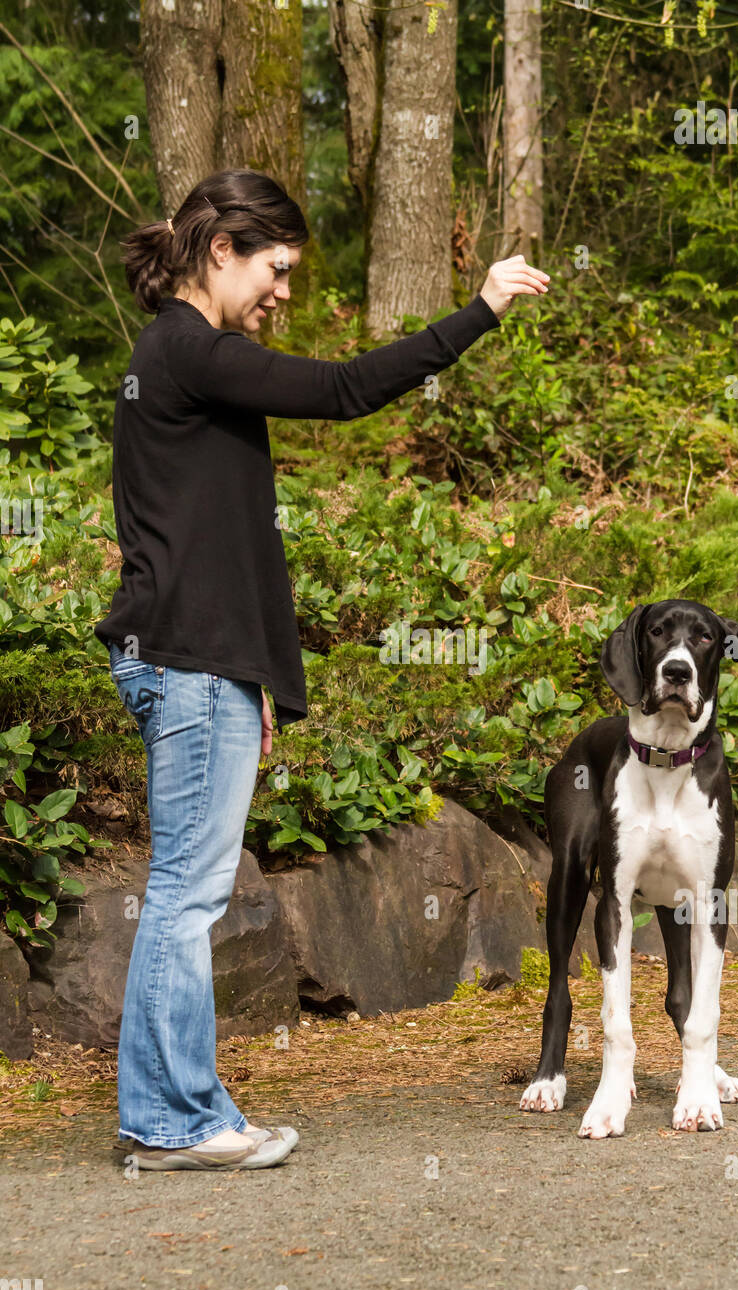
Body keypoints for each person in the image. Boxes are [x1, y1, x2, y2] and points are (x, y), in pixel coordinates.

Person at [94, 167, 550, 1171]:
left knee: (179, 892)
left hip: (193, 663)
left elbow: (205, 543)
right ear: (222, 251)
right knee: (185, 895)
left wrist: (251, 677)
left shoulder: (172, 359)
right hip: (188, 664)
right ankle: (175, 1122)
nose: (284, 291)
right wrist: (477, 311)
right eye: (277, 267)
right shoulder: (190, 351)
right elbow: (344, 391)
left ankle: (160, 1115)